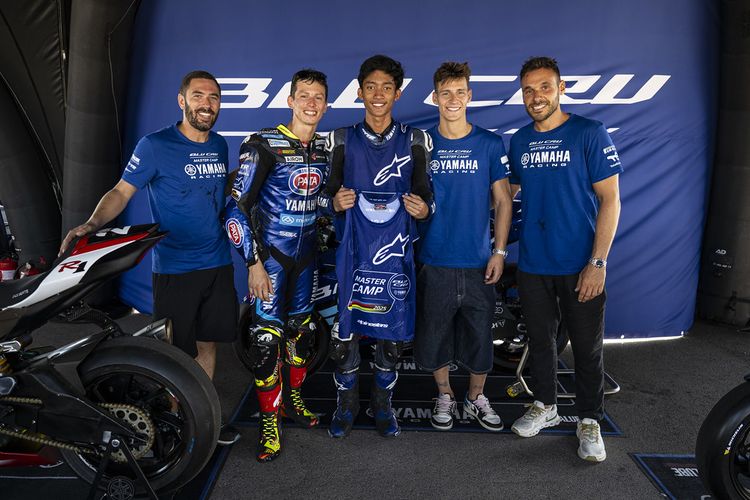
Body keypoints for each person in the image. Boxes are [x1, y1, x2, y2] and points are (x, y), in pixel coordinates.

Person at [60, 70, 241, 446]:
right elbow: (121, 192)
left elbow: (217, 189)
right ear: (182, 100)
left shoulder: (220, 145)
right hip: (176, 267)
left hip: (218, 262)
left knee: (208, 343)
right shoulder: (155, 145)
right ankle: (177, 422)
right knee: (176, 353)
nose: (206, 104)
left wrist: (250, 175)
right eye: (198, 96)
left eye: (213, 97)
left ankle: (204, 419)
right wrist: (92, 223)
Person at [507, 57, 622, 462]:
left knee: (588, 350)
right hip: (533, 263)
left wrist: (598, 263)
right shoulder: (519, 141)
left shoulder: (589, 132)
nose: (536, 96)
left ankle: (589, 419)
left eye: (544, 87)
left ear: (561, 88)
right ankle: (545, 405)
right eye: (528, 90)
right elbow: (505, 197)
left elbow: (611, 200)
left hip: (580, 265)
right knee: (541, 344)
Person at [320, 54, 434, 438]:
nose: (378, 94)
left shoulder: (415, 139)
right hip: (352, 253)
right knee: (346, 335)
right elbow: (325, 195)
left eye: (387, 87)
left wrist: (424, 209)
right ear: (360, 92)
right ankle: (346, 404)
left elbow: (427, 195)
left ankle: (382, 405)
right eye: (371, 87)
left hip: (397, 253)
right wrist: (334, 202)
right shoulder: (341, 138)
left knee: (392, 335)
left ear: (398, 93)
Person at [224, 69, 329, 462]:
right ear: (290, 101)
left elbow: (321, 203)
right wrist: (252, 263)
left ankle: (293, 401)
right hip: (270, 260)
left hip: (307, 259)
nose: (311, 104)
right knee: (266, 342)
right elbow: (235, 209)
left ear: (326, 105)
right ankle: (269, 421)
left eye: (318, 97)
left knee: (303, 334)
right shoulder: (263, 144)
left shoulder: (324, 149)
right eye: (304, 96)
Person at [414, 62, 512, 432]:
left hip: (477, 260)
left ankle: (475, 397)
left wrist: (499, 252)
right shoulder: (421, 144)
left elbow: (503, 200)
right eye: (446, 93)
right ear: (435, 97)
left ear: (469, 96)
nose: (453, 99)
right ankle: (444, 395)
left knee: (479, 335)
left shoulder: (489, 143)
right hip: (434, 257)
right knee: (434, 332)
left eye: (459, 92)